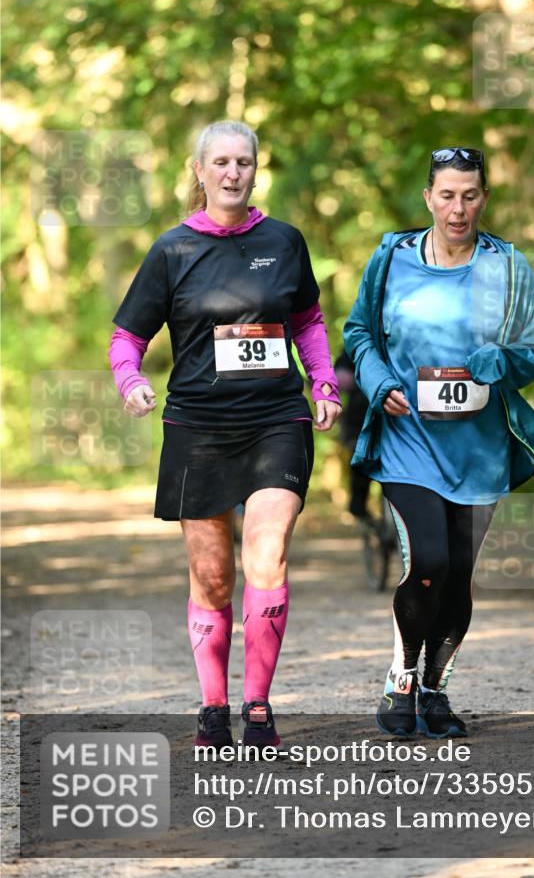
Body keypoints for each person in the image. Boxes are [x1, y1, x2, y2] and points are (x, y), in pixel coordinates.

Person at [108, 120, 341, 749]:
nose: (233, 172)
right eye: (221, 162)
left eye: (243, 161)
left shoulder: (284, 241)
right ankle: (214, 707)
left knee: (266, 553)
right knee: (212, 575)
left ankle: (258, 704)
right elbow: (128, 336)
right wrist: (130, 381)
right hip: (198, 427)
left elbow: (308, 320)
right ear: (200, 171)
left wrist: (322, 381)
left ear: (256, 169)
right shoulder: (173, 250)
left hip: (275, 420)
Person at [343, 146, 534, 739]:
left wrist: (502, 362)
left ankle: (435, 691)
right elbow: (358, 332)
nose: (457, 208)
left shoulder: (508, 268)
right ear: (428, 198)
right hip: (408, 437)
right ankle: (401, 679)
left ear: (484, 198)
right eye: (446, 195)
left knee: (458, 572)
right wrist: (379, 379)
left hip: (479, 447)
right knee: (429, 559)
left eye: (469, 195)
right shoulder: (392, 258)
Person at [333, 350, 372, 522]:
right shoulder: (357, 343)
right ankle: (361, 513)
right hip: (359, 423)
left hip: (397, 424)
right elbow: (341, 375)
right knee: (360, 467)